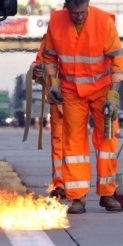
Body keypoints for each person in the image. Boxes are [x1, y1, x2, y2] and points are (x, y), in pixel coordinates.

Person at [43, 0, 123, 214]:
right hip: (71, 92)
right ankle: (77, 197)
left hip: (101, 91)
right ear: (68, 8)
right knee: (73, 143)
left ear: (88, 5)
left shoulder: (103, 22)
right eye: (75, 13)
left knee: (108, 141)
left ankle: (107, 193)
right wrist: (54, 83)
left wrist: (113, 94)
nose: (79, 17)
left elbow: (118, 61)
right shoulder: (56, 22)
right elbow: (49, 57)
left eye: (82, 12)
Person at [31, 34, 65, 199]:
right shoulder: (51, 36)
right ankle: (60, 184)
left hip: (79, 99)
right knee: (58, 143)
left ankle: (75, 186)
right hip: (57, 100)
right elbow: (38, 65)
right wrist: (36, 70)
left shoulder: (87, 33)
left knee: (76, 145)